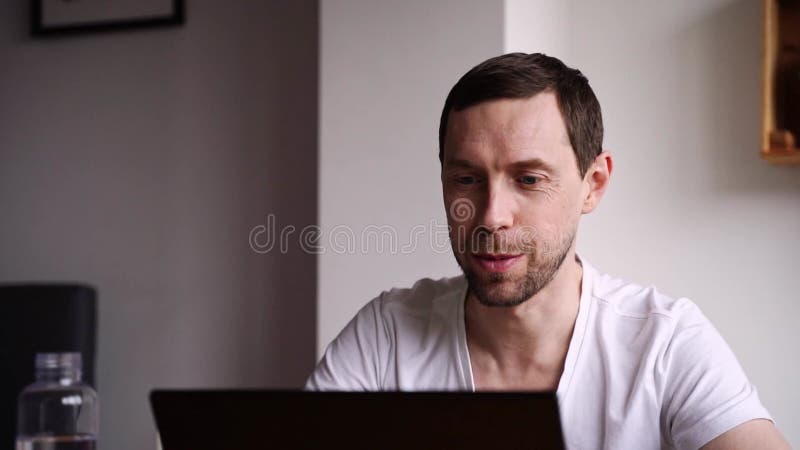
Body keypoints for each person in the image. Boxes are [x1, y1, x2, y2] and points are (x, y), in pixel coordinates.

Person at [305, 53, 790, 449]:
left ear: (593, 184)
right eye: (467, 179)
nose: (491, 215)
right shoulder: (387, 333)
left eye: (529, 179)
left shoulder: (664, 343)